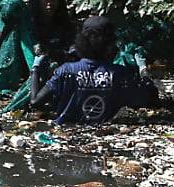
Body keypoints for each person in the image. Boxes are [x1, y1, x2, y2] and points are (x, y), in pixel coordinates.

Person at [30, 15, 158, 125]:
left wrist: (35, 69)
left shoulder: (66, 70)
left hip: (66, 131)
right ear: (110, 43)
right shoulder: (119, 74)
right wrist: (143, 70)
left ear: (81, 41)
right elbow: (149, 99)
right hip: (102, 132)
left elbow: (35, 101)